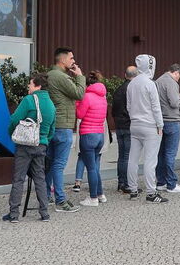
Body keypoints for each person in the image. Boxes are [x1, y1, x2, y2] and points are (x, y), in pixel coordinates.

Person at [4, 73, 56, 223]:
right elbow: (52, 129)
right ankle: (44, 213)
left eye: (30, 84)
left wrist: (12, 133)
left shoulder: (29, 100)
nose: (28, 86)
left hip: (25, 145)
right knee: (40, 178)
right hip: (41, 145)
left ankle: (14, 214)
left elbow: (14, 119)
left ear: (37, 86)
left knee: (19, 178)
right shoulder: (51, 104)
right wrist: (44, 140)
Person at [45, 47, 85, 213]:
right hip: (63, 126)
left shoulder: (49, 75)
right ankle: (60, 201)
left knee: (49, 164)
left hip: (52, 125)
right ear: (62, 60)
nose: (73, 61)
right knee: (58, 165)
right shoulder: (60, 76)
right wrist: (80, 76)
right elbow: (79, 93)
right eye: (71, 58)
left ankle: (46, 196)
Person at [126, 54, 168, 204]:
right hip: (150, 125)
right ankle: (151, 192)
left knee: (133, 158)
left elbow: (129, 106)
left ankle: (133, 189)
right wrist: (160, 125)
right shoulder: (150, 84)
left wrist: (134, 118)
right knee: (150, 160)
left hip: (135, 124)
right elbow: (156, 107)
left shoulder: (131, 84)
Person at [76, 70, 108, 207]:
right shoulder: (103, 97)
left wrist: (77, 102)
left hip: (88, 134)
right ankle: (100, 194)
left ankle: (93, 198)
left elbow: (79, 114)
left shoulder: (87, 96)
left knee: (90, 168)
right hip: (100, 134)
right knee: (95, 167)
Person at [155, 63, 180, 193]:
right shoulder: (172, 83)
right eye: (179, 76)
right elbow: (174, 103)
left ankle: (161, 181)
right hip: (172, 121)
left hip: (161, 120)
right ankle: (171, 184)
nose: (179, 79)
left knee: (161, 153)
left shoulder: (158, 81)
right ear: (176, 72)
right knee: (170, 153)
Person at [111, 66, 135, 194]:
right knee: (128, 156)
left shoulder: (119, 89)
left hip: (119, 125)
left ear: (125, 75)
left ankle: (121, 182)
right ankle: (127, 183)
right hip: (129, 125)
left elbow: (113, 109)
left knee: (122, 156)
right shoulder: (132, 89)